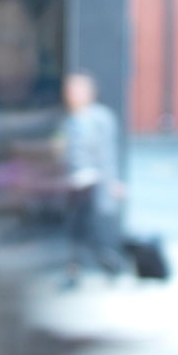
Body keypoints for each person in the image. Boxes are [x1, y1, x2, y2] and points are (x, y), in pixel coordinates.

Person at [58, 71, 125, 284]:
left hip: (92, 184)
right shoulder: (70, 119)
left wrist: (112, 182)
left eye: (77, 90)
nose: (71, 94)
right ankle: (81, 268)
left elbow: (107, 153)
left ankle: (106, 265)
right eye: (70, 90)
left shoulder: (100, 118)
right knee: (77, 230)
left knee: (89, 231)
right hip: (74, 184)